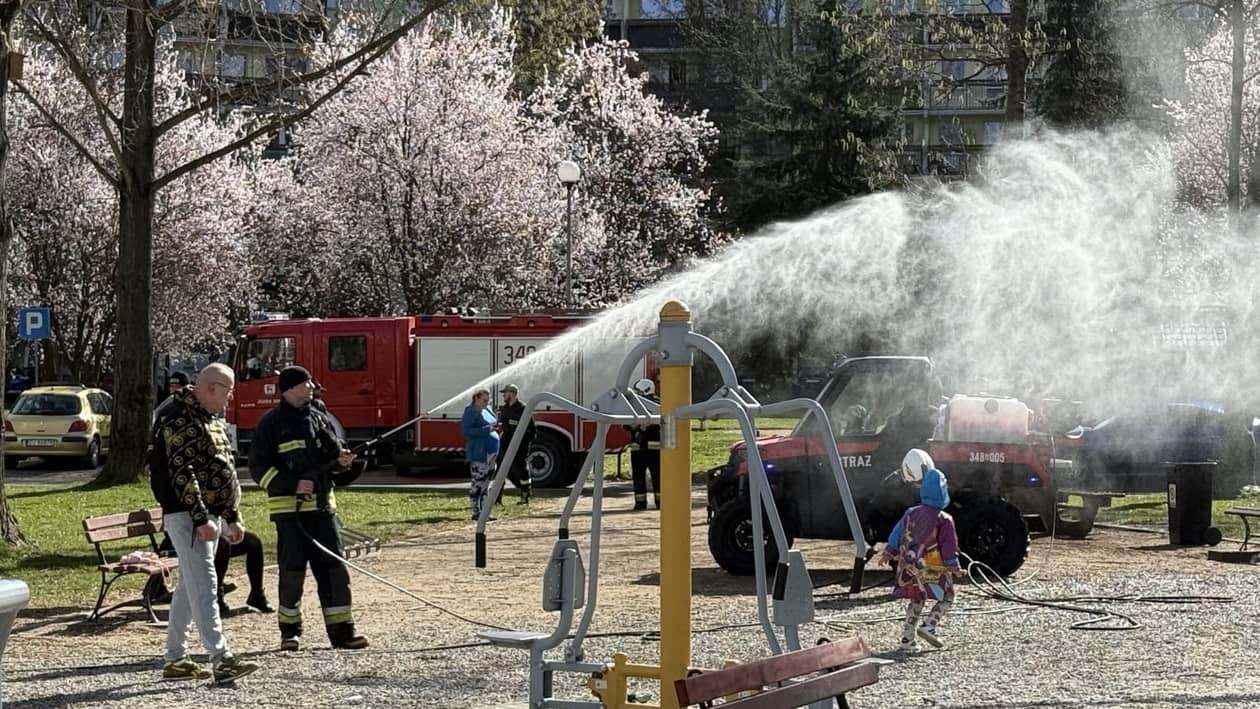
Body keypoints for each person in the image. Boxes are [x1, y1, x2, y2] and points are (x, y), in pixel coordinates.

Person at [149, 362, 258, 683]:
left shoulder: (208, 419)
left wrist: (231, 516)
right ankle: (221, 657)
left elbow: (222, 471)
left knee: (190, 585)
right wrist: (200, 518)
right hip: (187, 515)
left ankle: (175, 658)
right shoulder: (179, 419)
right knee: (206, 585)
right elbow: (184, 475)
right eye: (229, 389)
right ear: (211, 388)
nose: (232, 396)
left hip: (205, 515)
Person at [249, 365, 368, 652]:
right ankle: (290, 633)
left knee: (334, 570)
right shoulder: (271, 424)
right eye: (306, 383)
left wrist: (344, 463)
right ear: (289, 388)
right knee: (292, 573)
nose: (312, 386)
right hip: (291, 515)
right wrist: (292, 485)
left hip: (323, 511)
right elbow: (258, 469)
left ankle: (343, 633)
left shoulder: (319, 416)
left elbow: (333, 457)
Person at [874, 467, 964, 651]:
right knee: (947, 597)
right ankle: (929, 625)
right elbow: (949, 545)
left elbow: (897, 533)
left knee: (917, 598)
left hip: (911, 566)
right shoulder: (944, 519)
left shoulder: (910, 513)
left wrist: (888, 551)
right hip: (934, 567)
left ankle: (907, 639)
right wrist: (953, 565)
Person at [461, 388, 499, 520]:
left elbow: (493, 422)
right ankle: (476, 511)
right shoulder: (471, 411)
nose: (486, 403)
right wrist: (485, 430)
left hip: (492, 452)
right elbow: (467, 430)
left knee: (487, 482)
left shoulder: (487, 409)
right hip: (480, 452)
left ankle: (485, 510)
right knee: (478, 481)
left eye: (488, 400)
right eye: (484, 400)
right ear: (476, 398)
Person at [215, 530, 274, 616]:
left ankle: (257, 595)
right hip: (200, 538)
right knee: (223, 545)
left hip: (220, 531)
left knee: (253, 542)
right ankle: (217, 596)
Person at [495, 384, 535, 504]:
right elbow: (502, 425)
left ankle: (525, 495)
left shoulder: (523, 409)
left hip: (519, 446)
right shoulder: (504, 409)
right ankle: (497, 499)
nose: (503, 396)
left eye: (505, 393)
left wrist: (523, 444)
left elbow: (532, 431)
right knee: (500, 470)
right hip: (504, 445)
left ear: (512, 394)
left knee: (521, 470)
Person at [626, 378, 661, 511]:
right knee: (646, 477)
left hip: (646, 449)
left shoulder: (656, 404)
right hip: (644, 448)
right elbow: (625, 424)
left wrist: (644, 427)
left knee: (651, 476)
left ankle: (647, 502)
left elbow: (663, 422)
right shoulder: (636, 405)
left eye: (639, 391)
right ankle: (648, 502)